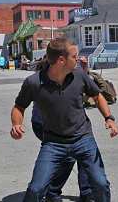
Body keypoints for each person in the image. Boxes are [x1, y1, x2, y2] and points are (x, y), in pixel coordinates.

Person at [10, 38, 118, 202]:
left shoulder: (79, 75)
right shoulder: (33, 82)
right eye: (74, 56)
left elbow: (98, 97)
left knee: (101, 183)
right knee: (36, 189)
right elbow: (19, 107)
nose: (78, 59)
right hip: (53, 143)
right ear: (61, 60)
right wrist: (16, 124)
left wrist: (109, 118)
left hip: (83, 139)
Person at [30, 56, 95, 202]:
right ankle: (54, 192)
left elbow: (81, 87)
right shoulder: (48, 79)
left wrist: (84, 70)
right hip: (47, 124)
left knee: (81, 151)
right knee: (73, 154)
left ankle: (85, 191)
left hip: (54, 123)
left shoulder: (60, 73)